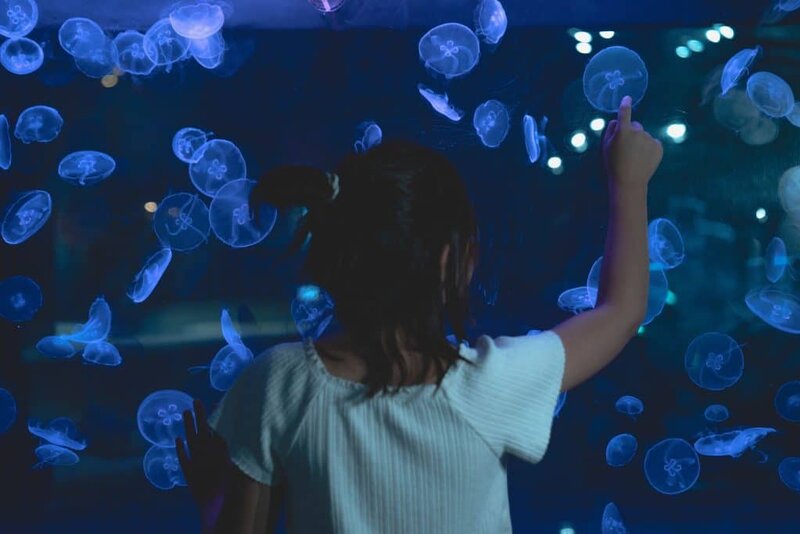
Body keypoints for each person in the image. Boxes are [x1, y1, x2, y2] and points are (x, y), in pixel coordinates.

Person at [176, 95, 663, 533]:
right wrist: (629, 184)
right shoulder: (489, 385)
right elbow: (620, 312)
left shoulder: (279, 384)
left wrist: (215, 501)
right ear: (455, 261)